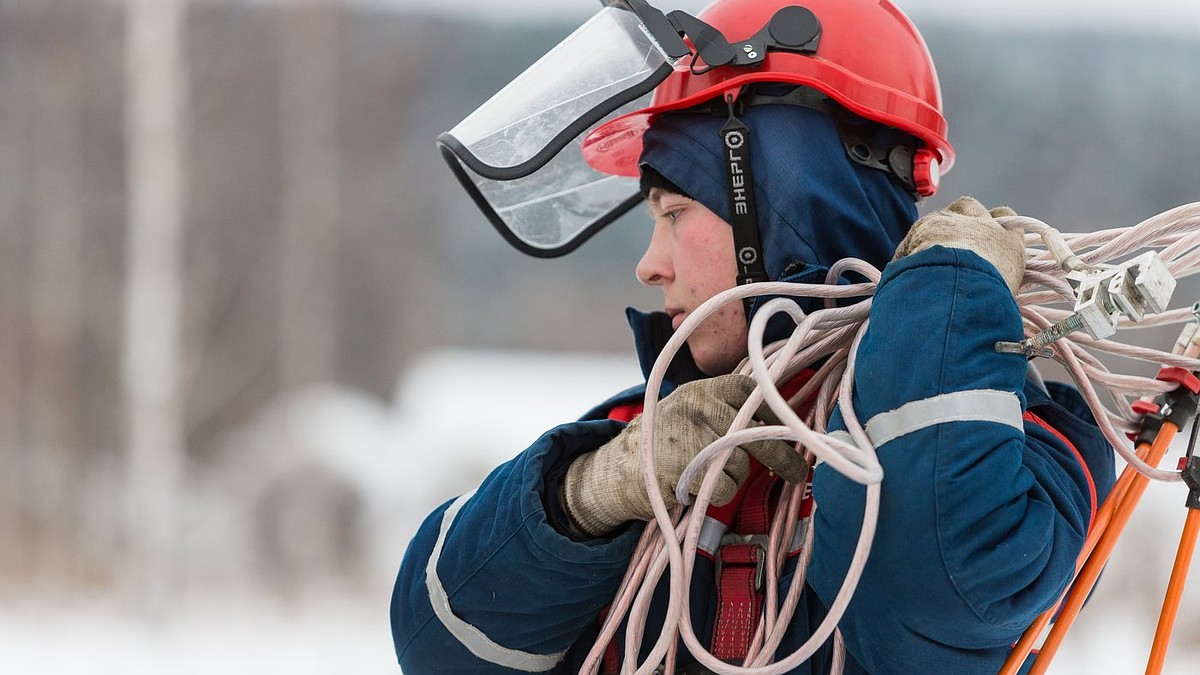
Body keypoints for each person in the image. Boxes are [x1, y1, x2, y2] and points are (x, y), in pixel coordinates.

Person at [391, 0, 1116, 672]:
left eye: (674, 211)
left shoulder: (1029, 444)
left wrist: (946, 295)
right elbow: (437, 643)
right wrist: (578, 502)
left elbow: (930, 588)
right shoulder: (649, 434)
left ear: (787, 201)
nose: (650, 265)